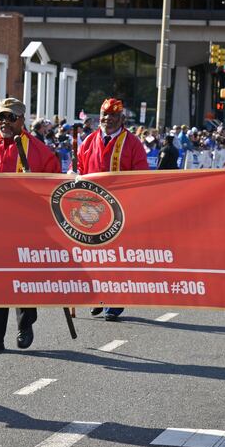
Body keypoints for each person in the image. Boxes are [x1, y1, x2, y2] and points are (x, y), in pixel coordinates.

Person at [0, 98, 60, 354]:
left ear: (22, 120)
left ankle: (26, 323)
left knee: (23, 280)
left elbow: (55, 189)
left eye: (11, 117)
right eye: (1, 117)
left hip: (26, 230)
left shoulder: (40, 152)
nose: (5, 122)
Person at [77, 97, 149, 321]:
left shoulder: (133, 144)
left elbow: (141, 176)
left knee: (116, 257)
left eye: (113, 116)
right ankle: (99, 295)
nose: (108, 119)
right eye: (105, 115)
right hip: (91, 208)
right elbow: (79, 165)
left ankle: (115, 301)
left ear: (121, 119)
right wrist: (73, 174)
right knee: (95, 256)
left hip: (120, 210)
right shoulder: (89, 141)